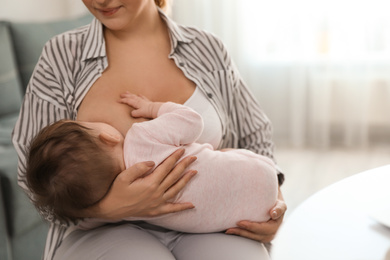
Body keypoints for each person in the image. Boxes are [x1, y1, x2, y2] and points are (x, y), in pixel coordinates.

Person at [12, 0, 287, 259]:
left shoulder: (207, 49)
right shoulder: (62, 55)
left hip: (209, 221)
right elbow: (32, 171)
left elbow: (255, 136)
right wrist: (106, 208)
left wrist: (275, 202)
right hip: (101, 230)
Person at [26, 92, 279, 233]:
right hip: (262, 186)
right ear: (109, 136)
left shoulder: (128, 205)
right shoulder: (141, 135)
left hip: (242, 219)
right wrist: (154, 107)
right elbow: (192, 121)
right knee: (222, 155)